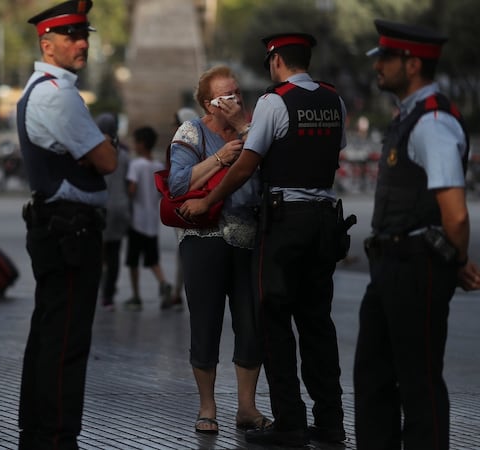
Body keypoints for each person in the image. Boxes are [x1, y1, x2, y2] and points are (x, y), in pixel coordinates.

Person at [179, 32, 348, 447]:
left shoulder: (275, 101)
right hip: (326, 221)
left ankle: (289, 421)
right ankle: (331, 420)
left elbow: (246, 165)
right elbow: (334, 149)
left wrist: (208, 202)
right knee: (318, 324)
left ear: (275, 61)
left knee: (272, 320)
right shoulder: (334, 99)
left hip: (286, 223)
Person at [355, 20, 480, 450]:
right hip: (390, 265)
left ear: (411, 65)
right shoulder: (410, 117)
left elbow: (456, 216)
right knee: (373, 376)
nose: (378, 66)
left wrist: (454, 261)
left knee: (418, 381)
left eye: (385, 59)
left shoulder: (433, 124)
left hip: (417, 268)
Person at [15, 1, 117, 448]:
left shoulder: (40, 89)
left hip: (57, 226)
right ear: (47, 44)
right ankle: (57, 434)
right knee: (66, 337)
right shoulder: (57, 94)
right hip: (70, 229)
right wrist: (100, 148)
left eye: (85, 35)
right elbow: (108, 160)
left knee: (48, 330)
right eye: (72, 36)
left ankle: (37, 425)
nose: (82, 43)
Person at [168, 65, 270, 435]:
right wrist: (219, 159)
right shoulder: (192, 132)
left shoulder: (255, 130)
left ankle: (247, 407)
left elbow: (271, 176)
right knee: (205, 322)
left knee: (250, 323)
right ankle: (207, 406)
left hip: (249, 239)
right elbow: (178, 183)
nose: (235, 101)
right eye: (226, 96)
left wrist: (245, 130)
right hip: (204, 239)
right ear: (209, 104)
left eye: (238, 94)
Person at [123, 125, 172, 311]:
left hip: (137, 219)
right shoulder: (158, 166)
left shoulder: (136, 165)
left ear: (141, 144)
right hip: (152, 220)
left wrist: (127, 193)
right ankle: (163, 282)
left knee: (133, 261)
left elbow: (132, 190)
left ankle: (136, 296)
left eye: (135, 142)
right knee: (153, 259)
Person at [96, 112, 130, 312]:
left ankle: (100, 289)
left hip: (102, 207)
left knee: (99, 253)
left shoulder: (97, 152)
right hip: (121, 207)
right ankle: (109, 295)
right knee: (115, 252)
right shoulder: (124, 155)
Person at [167, 107, 199, 308]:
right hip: (182, 203)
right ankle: (178, 290)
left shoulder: (190, 144)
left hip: (189, 204)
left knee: (185, 249)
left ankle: (181, 291)